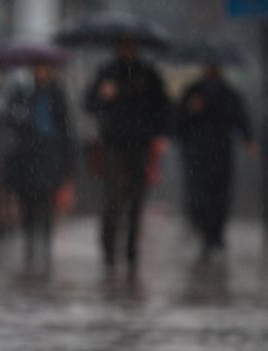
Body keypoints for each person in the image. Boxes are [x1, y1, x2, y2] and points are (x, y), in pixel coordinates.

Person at [84, 38, 170, 270]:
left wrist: (159, 133)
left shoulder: (149, 74)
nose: (127, 49)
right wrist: (103, 94)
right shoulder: (107, 72)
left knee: (136, 199)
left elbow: (163, 107)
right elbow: (89, 102)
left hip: (141, 144)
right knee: (113, 197)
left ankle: (131, 251)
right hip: (113, 142)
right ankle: (109, 250)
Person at [175, 62, 256, 259]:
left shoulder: (229, 93)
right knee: (199, 195)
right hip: (197, 153)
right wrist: (191, 110)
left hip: (221, 151)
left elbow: (240, 117)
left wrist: (248, 139)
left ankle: (215, 235)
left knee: (220, 195)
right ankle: (205, 231)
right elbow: (178, 121)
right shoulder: (192, 91)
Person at [4, 61, 76, 272]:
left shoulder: (57, 95)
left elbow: (66, 128)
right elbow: (9, 117)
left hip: (49, 156)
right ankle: (30, 243)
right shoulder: (22, 93)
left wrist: (68, 160)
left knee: (45, 201)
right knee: (27, 201)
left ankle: (44, 244)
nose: (41, 73)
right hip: (27, 155)